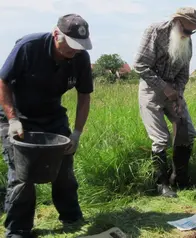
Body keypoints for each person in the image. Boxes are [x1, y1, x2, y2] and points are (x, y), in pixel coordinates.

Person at [0, 13, 93, 238]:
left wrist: (77, 133)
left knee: (63, 169)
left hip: (52, 117)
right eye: (70, 45)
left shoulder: (80, 58)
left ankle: (71, 218)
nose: (75, 50)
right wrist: (13, 119)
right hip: (17, 117)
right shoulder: (28, 47)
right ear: (55, 35)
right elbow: (2, 81)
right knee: (22, 175)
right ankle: (19, 229)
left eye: (80, 46)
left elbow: (84, 97)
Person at [134, 7, 196, 197]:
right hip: (151, 90)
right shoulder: (155, 31)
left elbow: (184, 73)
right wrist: (163, 87)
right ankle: (161, 184)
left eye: (193, 31)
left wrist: (179, 96)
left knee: (188, 132)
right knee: (161, 138)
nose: (189, 34)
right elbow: (140, 65)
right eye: (187, 30)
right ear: (177, 22)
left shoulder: (187, 42)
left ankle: (179, 177)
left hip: (174, 92)